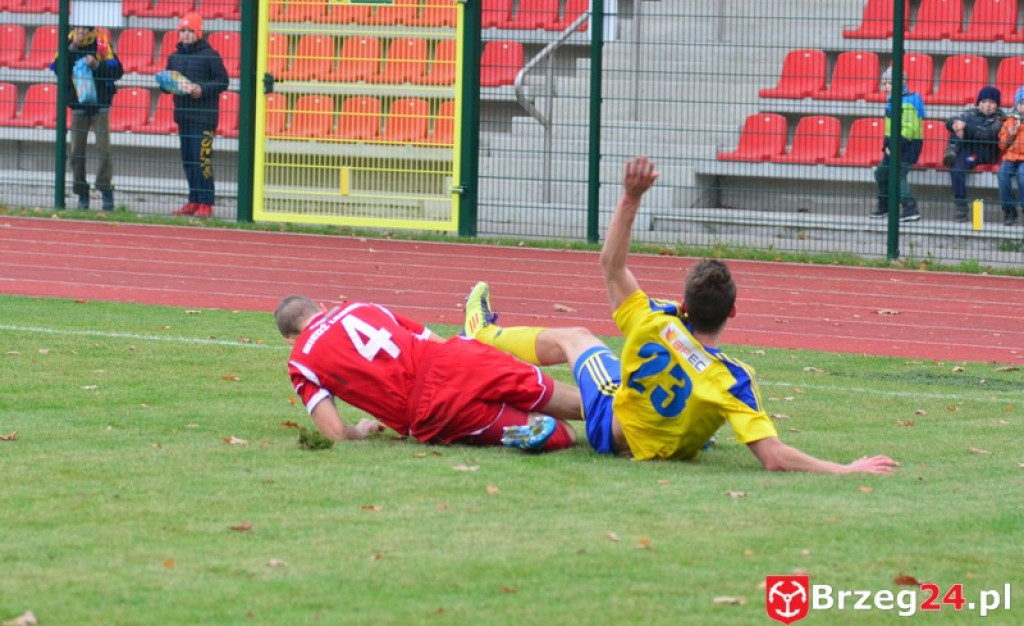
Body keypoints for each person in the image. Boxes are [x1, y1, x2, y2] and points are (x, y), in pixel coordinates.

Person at [465, 157, 900, 474]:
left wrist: (631, 198)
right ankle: (515, 399)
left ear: (685, 305)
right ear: (733, 310)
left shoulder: (656, 320)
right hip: (663, 444)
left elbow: (611, 265)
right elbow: (773, 457)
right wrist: (845, 468)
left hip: (614, 432)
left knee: (576, 338)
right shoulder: (733, 380)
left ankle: (483, 333)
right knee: (642, 389)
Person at [274, 294, 582, 451]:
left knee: (564, 432)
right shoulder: (358, 307)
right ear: (322, 306)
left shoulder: (301, 362)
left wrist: (362, 431)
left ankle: (537, 432)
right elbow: (432, 338)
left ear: (290, 339)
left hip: (431, 408)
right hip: (457, 359)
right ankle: (617, 413)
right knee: (579, 403)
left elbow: (336, 433)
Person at [160, 13, 229, 218]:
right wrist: (166, 85)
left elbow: (222, 81)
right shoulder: (174, 57)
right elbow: (167, 82)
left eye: (190, 31)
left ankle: (206, 202)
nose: (186, 34)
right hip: (183, 116)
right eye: (183, 31)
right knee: (188, 160)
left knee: (203, 160)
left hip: (205, 118)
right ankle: (193, 199)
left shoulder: (211, 55)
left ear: (198, 33)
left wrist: (202, 89)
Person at [49, 26, 124, 211]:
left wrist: (97, 65)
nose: (82, 33)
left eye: (85, 30)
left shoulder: (102, 43)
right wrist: (72, 48)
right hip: (78, 104)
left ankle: (105, 189)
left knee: (104, 149)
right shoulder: (67, 43)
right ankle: (82, 192)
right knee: (76, 152)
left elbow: (118, 72)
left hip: (101, 104)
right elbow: (59, 71)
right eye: (79, 29)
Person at [870, 66, 925, 222]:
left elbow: (908, 129)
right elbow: (889, 129)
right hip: (892, 146)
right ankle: (884, 206)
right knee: (881, 173)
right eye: (885, 83)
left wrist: (893, 147)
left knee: (897, 175)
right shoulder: (892, 101)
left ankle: (910, 208)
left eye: (890, 83)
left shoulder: (909, 101)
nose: (886, 86)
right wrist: (887, 146)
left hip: (906, 146)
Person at [943, 86, 1005, 222]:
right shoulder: (970, 113)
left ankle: (952, 149)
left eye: (991, 102)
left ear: (997, 104)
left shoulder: (1001, 119)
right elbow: (950, 121)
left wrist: (965, 127)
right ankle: (961, 207)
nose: (987, 106)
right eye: (983, 102)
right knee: (956, 170)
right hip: (966, 149)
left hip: (983, 152)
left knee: (962, 127)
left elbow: (987, 135)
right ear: (978, 103)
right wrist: (955, 123)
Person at [997, 86, 1024, 227]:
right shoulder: (1010, 121)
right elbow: (1002, 144)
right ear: (1016, 105)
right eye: (1022, 103)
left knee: (1022, 175)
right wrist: (1010, 135)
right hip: (1012, 156)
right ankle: (1009, 211)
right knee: (1002, 174)